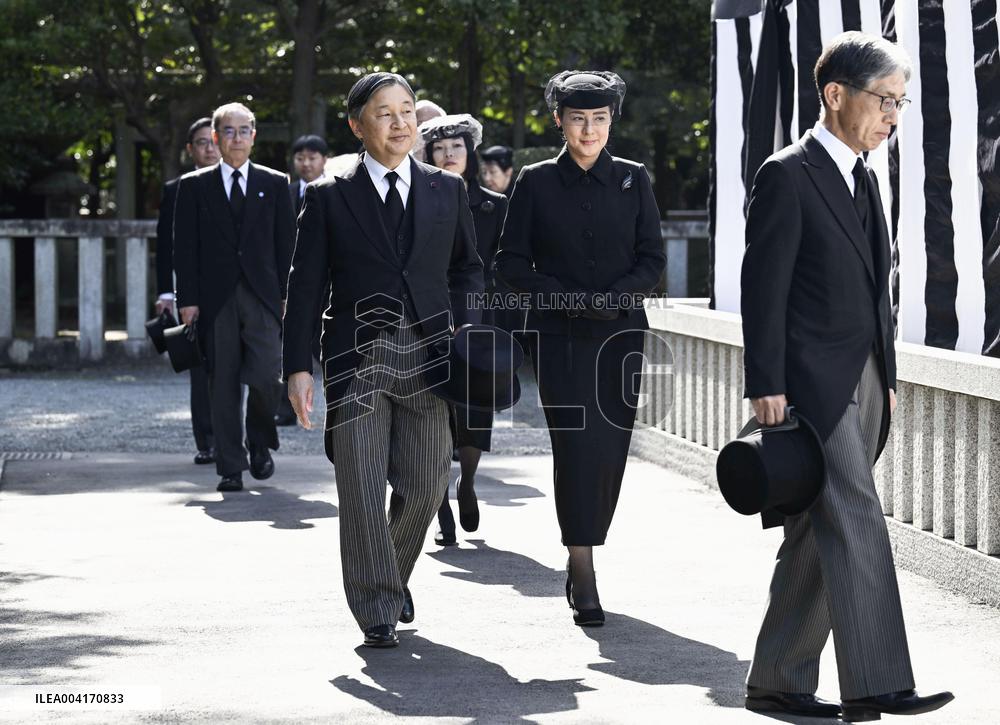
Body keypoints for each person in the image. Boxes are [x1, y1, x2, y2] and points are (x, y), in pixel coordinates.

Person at [740, 32, 953, 721]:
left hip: (864, 382)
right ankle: (879, 682)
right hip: (810, 384)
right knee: (857, 518)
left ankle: (777, 680)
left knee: (817, 529)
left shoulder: (864, 176)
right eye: (884, 100)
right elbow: (763, 289)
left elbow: (872, 291)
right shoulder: (786, 174)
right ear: (836, 95)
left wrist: (883, 374)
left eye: (900, 103)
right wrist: (765, 382)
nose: (893, 115)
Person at [283, 72, 483, 649]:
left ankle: (388, 577)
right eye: (385, 112)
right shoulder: (328, 195)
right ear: (357, 125)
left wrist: (466, 327)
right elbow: (305, 286)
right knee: (363, 489)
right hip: (357, 357)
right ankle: (376, 609)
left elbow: (467, 269)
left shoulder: (447, 190)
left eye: (407, 111)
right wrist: (298, 367)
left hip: (430, 357)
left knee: (426, 485)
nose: (400, 123)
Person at [495, 71, 665, 627]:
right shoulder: (536, 181)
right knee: (575, 446)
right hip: (559, 336)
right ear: (559, 121)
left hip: (621, 334)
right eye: (577, 119)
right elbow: (510, 262)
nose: (588, 130)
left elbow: (652, 258)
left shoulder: (634, 179)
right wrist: (564, 298)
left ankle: (584, 549)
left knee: (610, 447)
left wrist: (615, 297)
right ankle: (582, 565)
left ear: (611, 120)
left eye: (599, 119)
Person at [173, 102, 295, 493]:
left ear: (253, 137)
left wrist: (287, 294)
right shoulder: (194, 186)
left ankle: (260, 441)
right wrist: (187, 299)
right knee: (222, 383)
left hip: (263, 295)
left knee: (267, 376)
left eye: (244, 131)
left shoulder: (274, 183)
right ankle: (230, 465)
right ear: (215, 137)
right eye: (228, 131)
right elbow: (184, 248)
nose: (237, 138)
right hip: (215, 298)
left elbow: (286, 244)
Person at [417, 113, 509, 546]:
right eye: (439, 148)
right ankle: (440, 508)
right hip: (428, 314)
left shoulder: (494, 205)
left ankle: (467, 482)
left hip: (479, 317)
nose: (449, 154)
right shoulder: (418, 198)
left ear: (470, 153)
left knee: (475, 411)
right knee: (432, 413)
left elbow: (504, 265)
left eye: (457, 147)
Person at [155, 117, 219, 464]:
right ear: (190, 149)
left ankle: (236, 439)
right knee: (201, 368)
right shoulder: (176, 189)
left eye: (214, 141)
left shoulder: (238, 183)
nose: (210, 148)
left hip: (234, 291)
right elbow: (166, 247)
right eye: (202, 142)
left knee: (239, 369)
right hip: (193, 292)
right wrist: (166, 292)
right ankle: (207, 441)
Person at [275, 133, 330, 427]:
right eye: (300, 158)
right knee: (290, 343)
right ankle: (286, 409)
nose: (306, 163)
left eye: (312, 158)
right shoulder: (283, 192)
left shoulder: (336, 191)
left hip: (327, 283)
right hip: (289, 279)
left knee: (326, 347)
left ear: (324, 160)